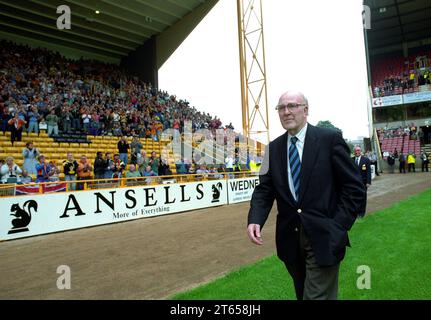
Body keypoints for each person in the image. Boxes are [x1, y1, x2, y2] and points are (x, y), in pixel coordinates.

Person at [247, 91, 366, 300]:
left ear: (306, 110)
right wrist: (255, 219)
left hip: (324, 235)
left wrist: (337, 226)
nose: (286, 112)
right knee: (303, 295)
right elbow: (265, 189)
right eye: (281, 108)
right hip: (290, 240)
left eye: (292, 106)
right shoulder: (272, 149)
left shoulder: (329, 139)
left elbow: (354, 187)